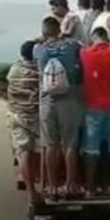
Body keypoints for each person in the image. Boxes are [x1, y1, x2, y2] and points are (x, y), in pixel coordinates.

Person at [33, 16, 84, 199]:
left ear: (44, 31)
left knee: (51, 145)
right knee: (70, 144)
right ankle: (71, 183)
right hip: (70, 100)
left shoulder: (38, 49)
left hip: (48, 101)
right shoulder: (73, 46)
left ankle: (53, 186)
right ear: (59, 29)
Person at [81, 27, 110, 198]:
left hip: (92, 107)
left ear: (94, 38)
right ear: (107, 38)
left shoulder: (85, 53)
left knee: (91, 150)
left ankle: (91, 189)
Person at [6, 40, 42, 205]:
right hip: (36, 116)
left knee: (23, 152)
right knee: (37, 151)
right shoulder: (39, 70)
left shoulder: (14, 70)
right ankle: (37, 183)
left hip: (18, 115)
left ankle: (31, 191)